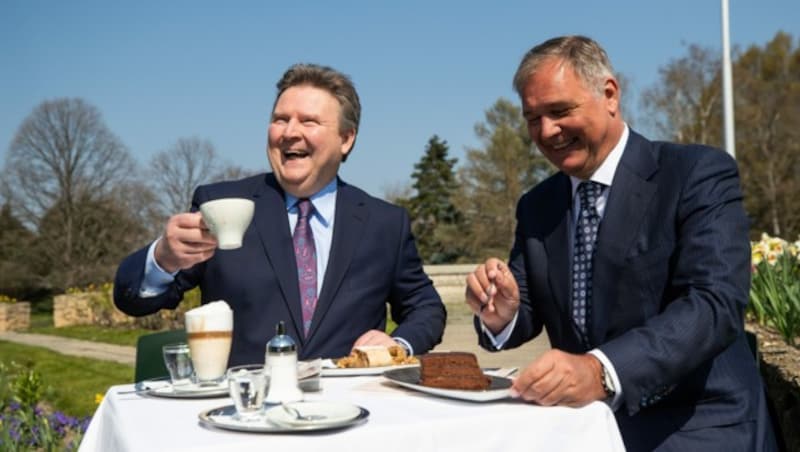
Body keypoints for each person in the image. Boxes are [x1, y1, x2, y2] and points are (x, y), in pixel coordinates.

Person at [465, 36, 777, 451]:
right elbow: (527, 311)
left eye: (560, 111)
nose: (546, 132)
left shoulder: (696, 174)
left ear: (609, 94)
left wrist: (600, 371)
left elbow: (713, 305)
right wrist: (501, 314)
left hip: (697, 423)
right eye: (532, 118)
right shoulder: (537, 206)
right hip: (587, 427)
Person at [115, 63, 446, 365]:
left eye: (309, 121)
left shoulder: (385, 223)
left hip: (351, 414)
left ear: (345, 139)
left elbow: (426, 307)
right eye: (280, 119)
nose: (289, 132)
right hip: (246, 415)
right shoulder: (221, 206)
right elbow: (136, 300)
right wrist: (163, 257)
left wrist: (397, 344)